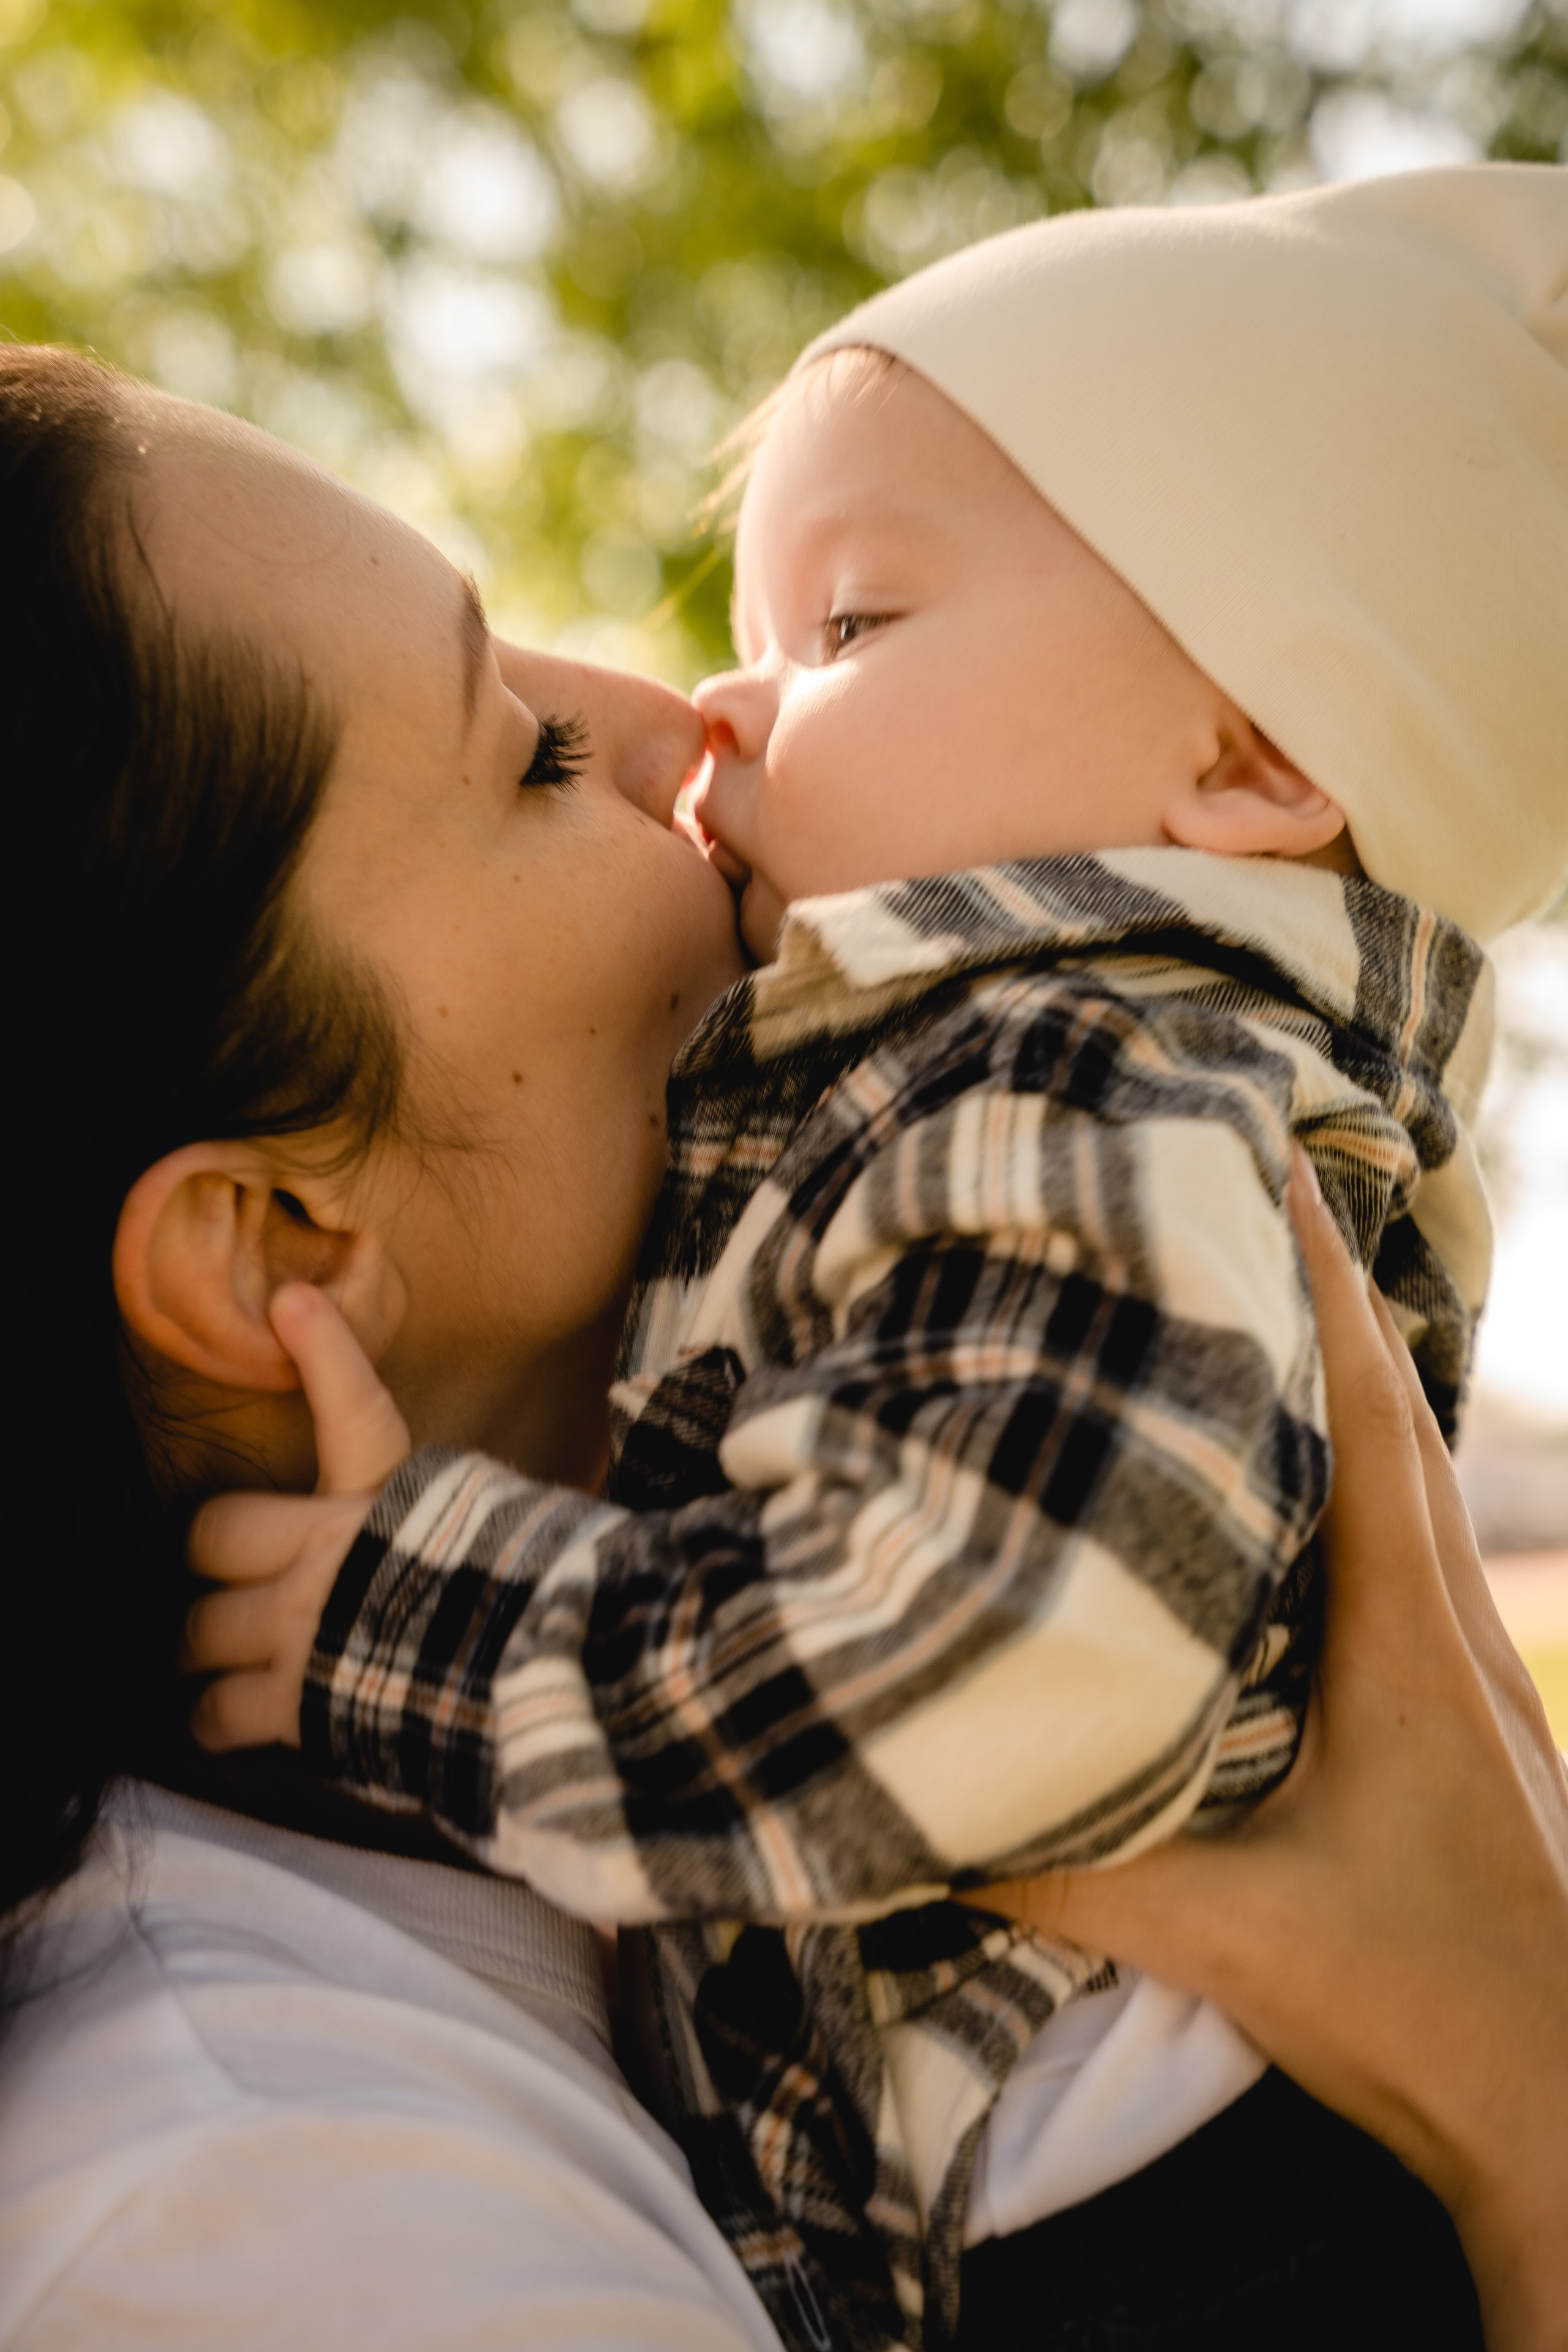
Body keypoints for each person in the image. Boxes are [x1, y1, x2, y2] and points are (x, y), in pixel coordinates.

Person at [178, 167, 1568, 2348]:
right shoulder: (1052, 1089)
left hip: (1183, 2222)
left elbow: (1005, 1637)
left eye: (847, 630)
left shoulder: (1082, 1073)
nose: (714, 714)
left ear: (1251, 756)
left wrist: (418, 1627)